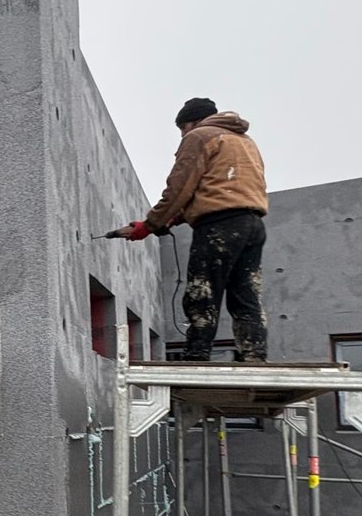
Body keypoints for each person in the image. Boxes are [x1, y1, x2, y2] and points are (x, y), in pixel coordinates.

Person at [114, 97, 269, 361]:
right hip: (252, 225)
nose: (182, 135)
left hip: (218, 226)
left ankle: (197, 354)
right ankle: (255, 355)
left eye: (182, 128)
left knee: (202, 291)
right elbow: (219, 189)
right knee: (245, 295)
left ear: (193, 122)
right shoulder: (245, 142)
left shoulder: (200, 136)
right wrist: (175, 219)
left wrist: (150, 224)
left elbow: (179, 188)